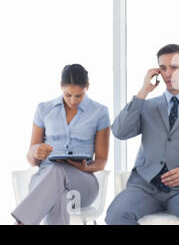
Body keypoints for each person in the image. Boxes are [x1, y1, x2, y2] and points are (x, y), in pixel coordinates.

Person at [105, 44, 179, 225]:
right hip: (145, 187)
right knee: (116, 215)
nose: (168, 73)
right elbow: (119, 132)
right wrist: (143, 92)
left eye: (174, 67)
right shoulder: (146, 105)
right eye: (163, 68)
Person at [11, 64, 110, 225]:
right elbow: (31, 159)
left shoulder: (100, 112)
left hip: (83, 182)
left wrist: (84, 167)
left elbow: (101, 161)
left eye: (78, 96)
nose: (73, 100)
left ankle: (22, 222)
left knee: (58, 171)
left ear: (87, 87)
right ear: (60, 87)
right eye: (68, 95)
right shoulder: (44, 109)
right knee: (60, 196)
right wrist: (35, 152)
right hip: (44, 179)